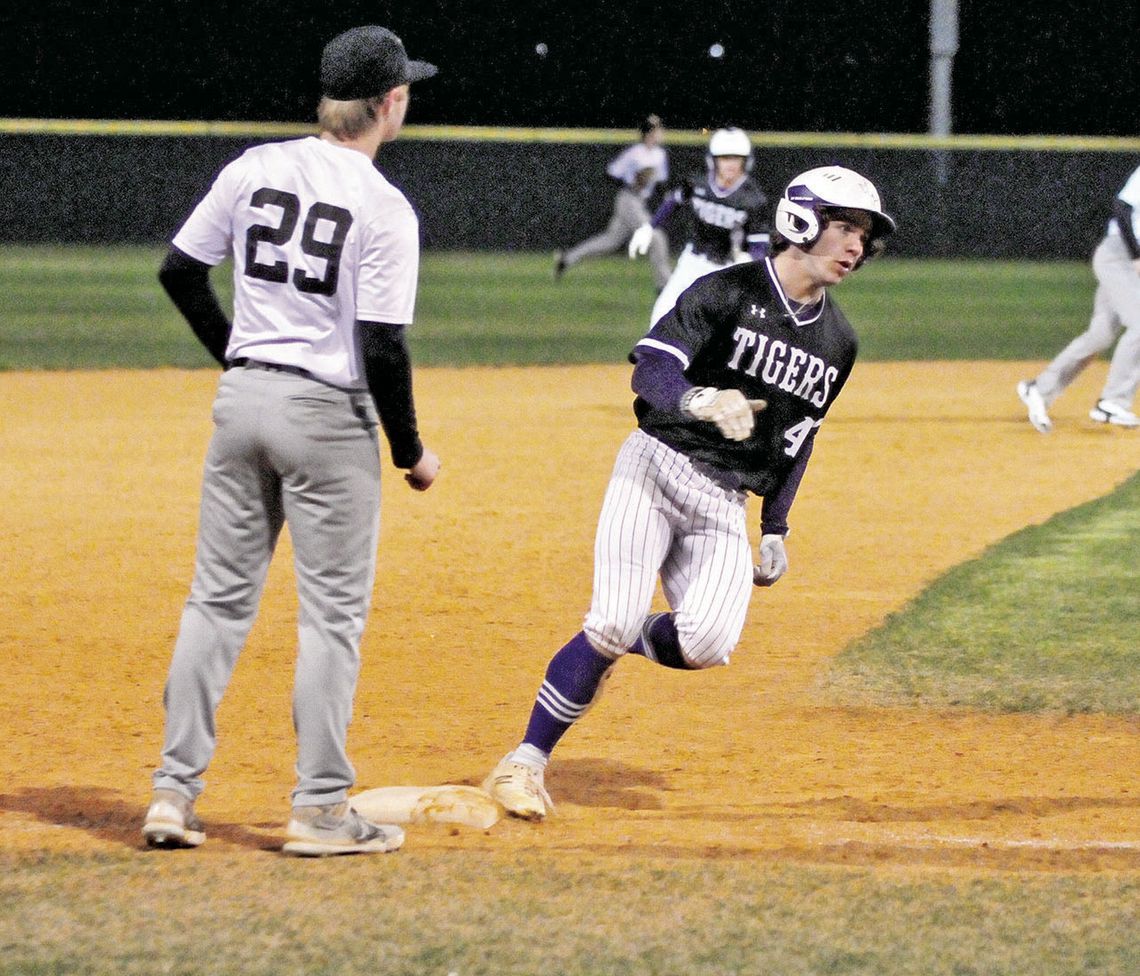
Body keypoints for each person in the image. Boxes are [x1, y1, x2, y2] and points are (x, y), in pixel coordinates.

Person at [484, 166, 896, 819]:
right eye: (845, 226)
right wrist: (699, 399)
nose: (855, 246)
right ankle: (524, 762)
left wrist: (777, 526)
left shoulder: (838, 342)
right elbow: (650, 369)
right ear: (802, 220)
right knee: (611, 618)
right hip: (653, 466)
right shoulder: (725, 291)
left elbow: (800, 438)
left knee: (707, 644)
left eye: (864, 234)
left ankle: (606, 644)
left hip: (722, 503)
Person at [142, 25, 442, 857]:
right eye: (404, 90)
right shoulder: (384, 207)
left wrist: (238, 358)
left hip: (242, 404)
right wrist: (410, 451)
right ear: (388, 102)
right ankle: (317, 810)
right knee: (330, 620)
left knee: (216, 601)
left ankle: (172, 794)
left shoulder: (254, 167)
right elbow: (382, 345)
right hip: (326, 418)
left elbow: (178, 271)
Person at [1017, 164, 1140, 431]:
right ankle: (1113, 402)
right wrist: (1136, 255)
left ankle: (1040, 388)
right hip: (1118, 255)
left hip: (1126, 261)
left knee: (1102, 334)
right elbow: (1122, 208)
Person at [629, 127, 770, 325]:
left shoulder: (753, 199)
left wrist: (750, 262)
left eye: (736, 158)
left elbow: (759, 244)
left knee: (721, 331)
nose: (730, 164)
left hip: (726, 268)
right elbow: (673, 202)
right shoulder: (698, 184)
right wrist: (650, 227)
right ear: (713, 160)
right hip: (692, 261)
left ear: (746, 161)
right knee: (661, 317)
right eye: (724, 158)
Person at [554, 114, 671, 289]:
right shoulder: (634, 153)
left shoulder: (660, 155)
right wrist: (630, 181)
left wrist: (667, 196)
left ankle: (567, 258)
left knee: (610, 241)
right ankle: (665, 286)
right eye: (657, 129)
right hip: (628, 200)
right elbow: (610, 173)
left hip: (639, 202)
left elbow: (661, 182)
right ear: (649, 133)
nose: (660, 132)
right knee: (656, 237)